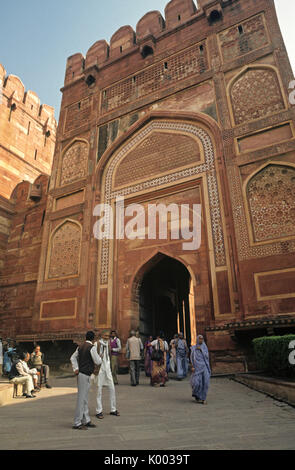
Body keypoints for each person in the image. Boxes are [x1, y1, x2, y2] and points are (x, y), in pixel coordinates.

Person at [70, 331, 102, 430]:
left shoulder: (80, 346)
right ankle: (77, 422)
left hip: (81, 374)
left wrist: (75, 368)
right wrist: (100, 356)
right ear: (93, 338)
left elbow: (72, 358)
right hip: (86, 374)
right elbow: (98, 361)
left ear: (86, 337)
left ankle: (86, 420)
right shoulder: (91, 347)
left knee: (84, 398)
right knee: (81, 399)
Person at [94, 330, 120, 419]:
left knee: (112, 388)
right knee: (99, 390)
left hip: (107, 368)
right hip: (100, 369)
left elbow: (108, 355)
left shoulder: (108, 344)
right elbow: (93, 356)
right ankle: (98, 411)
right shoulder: (96, 344)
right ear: (101, 335)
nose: (107, 337)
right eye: (105, 335)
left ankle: (113, 409)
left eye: (108, 336)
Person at [190, 335, 211, 404]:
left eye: (202, 339)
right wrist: (192, 366)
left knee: (205, 382)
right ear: (197, 339)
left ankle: (203, 398)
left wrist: (201, 349)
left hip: (204, 366)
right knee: (197, 383)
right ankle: (197, 395)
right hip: (197, 367)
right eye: (199, 339)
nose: (201, 340)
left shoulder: (205, 347)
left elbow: (207, 356)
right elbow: (192, 358)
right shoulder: (193, 348)